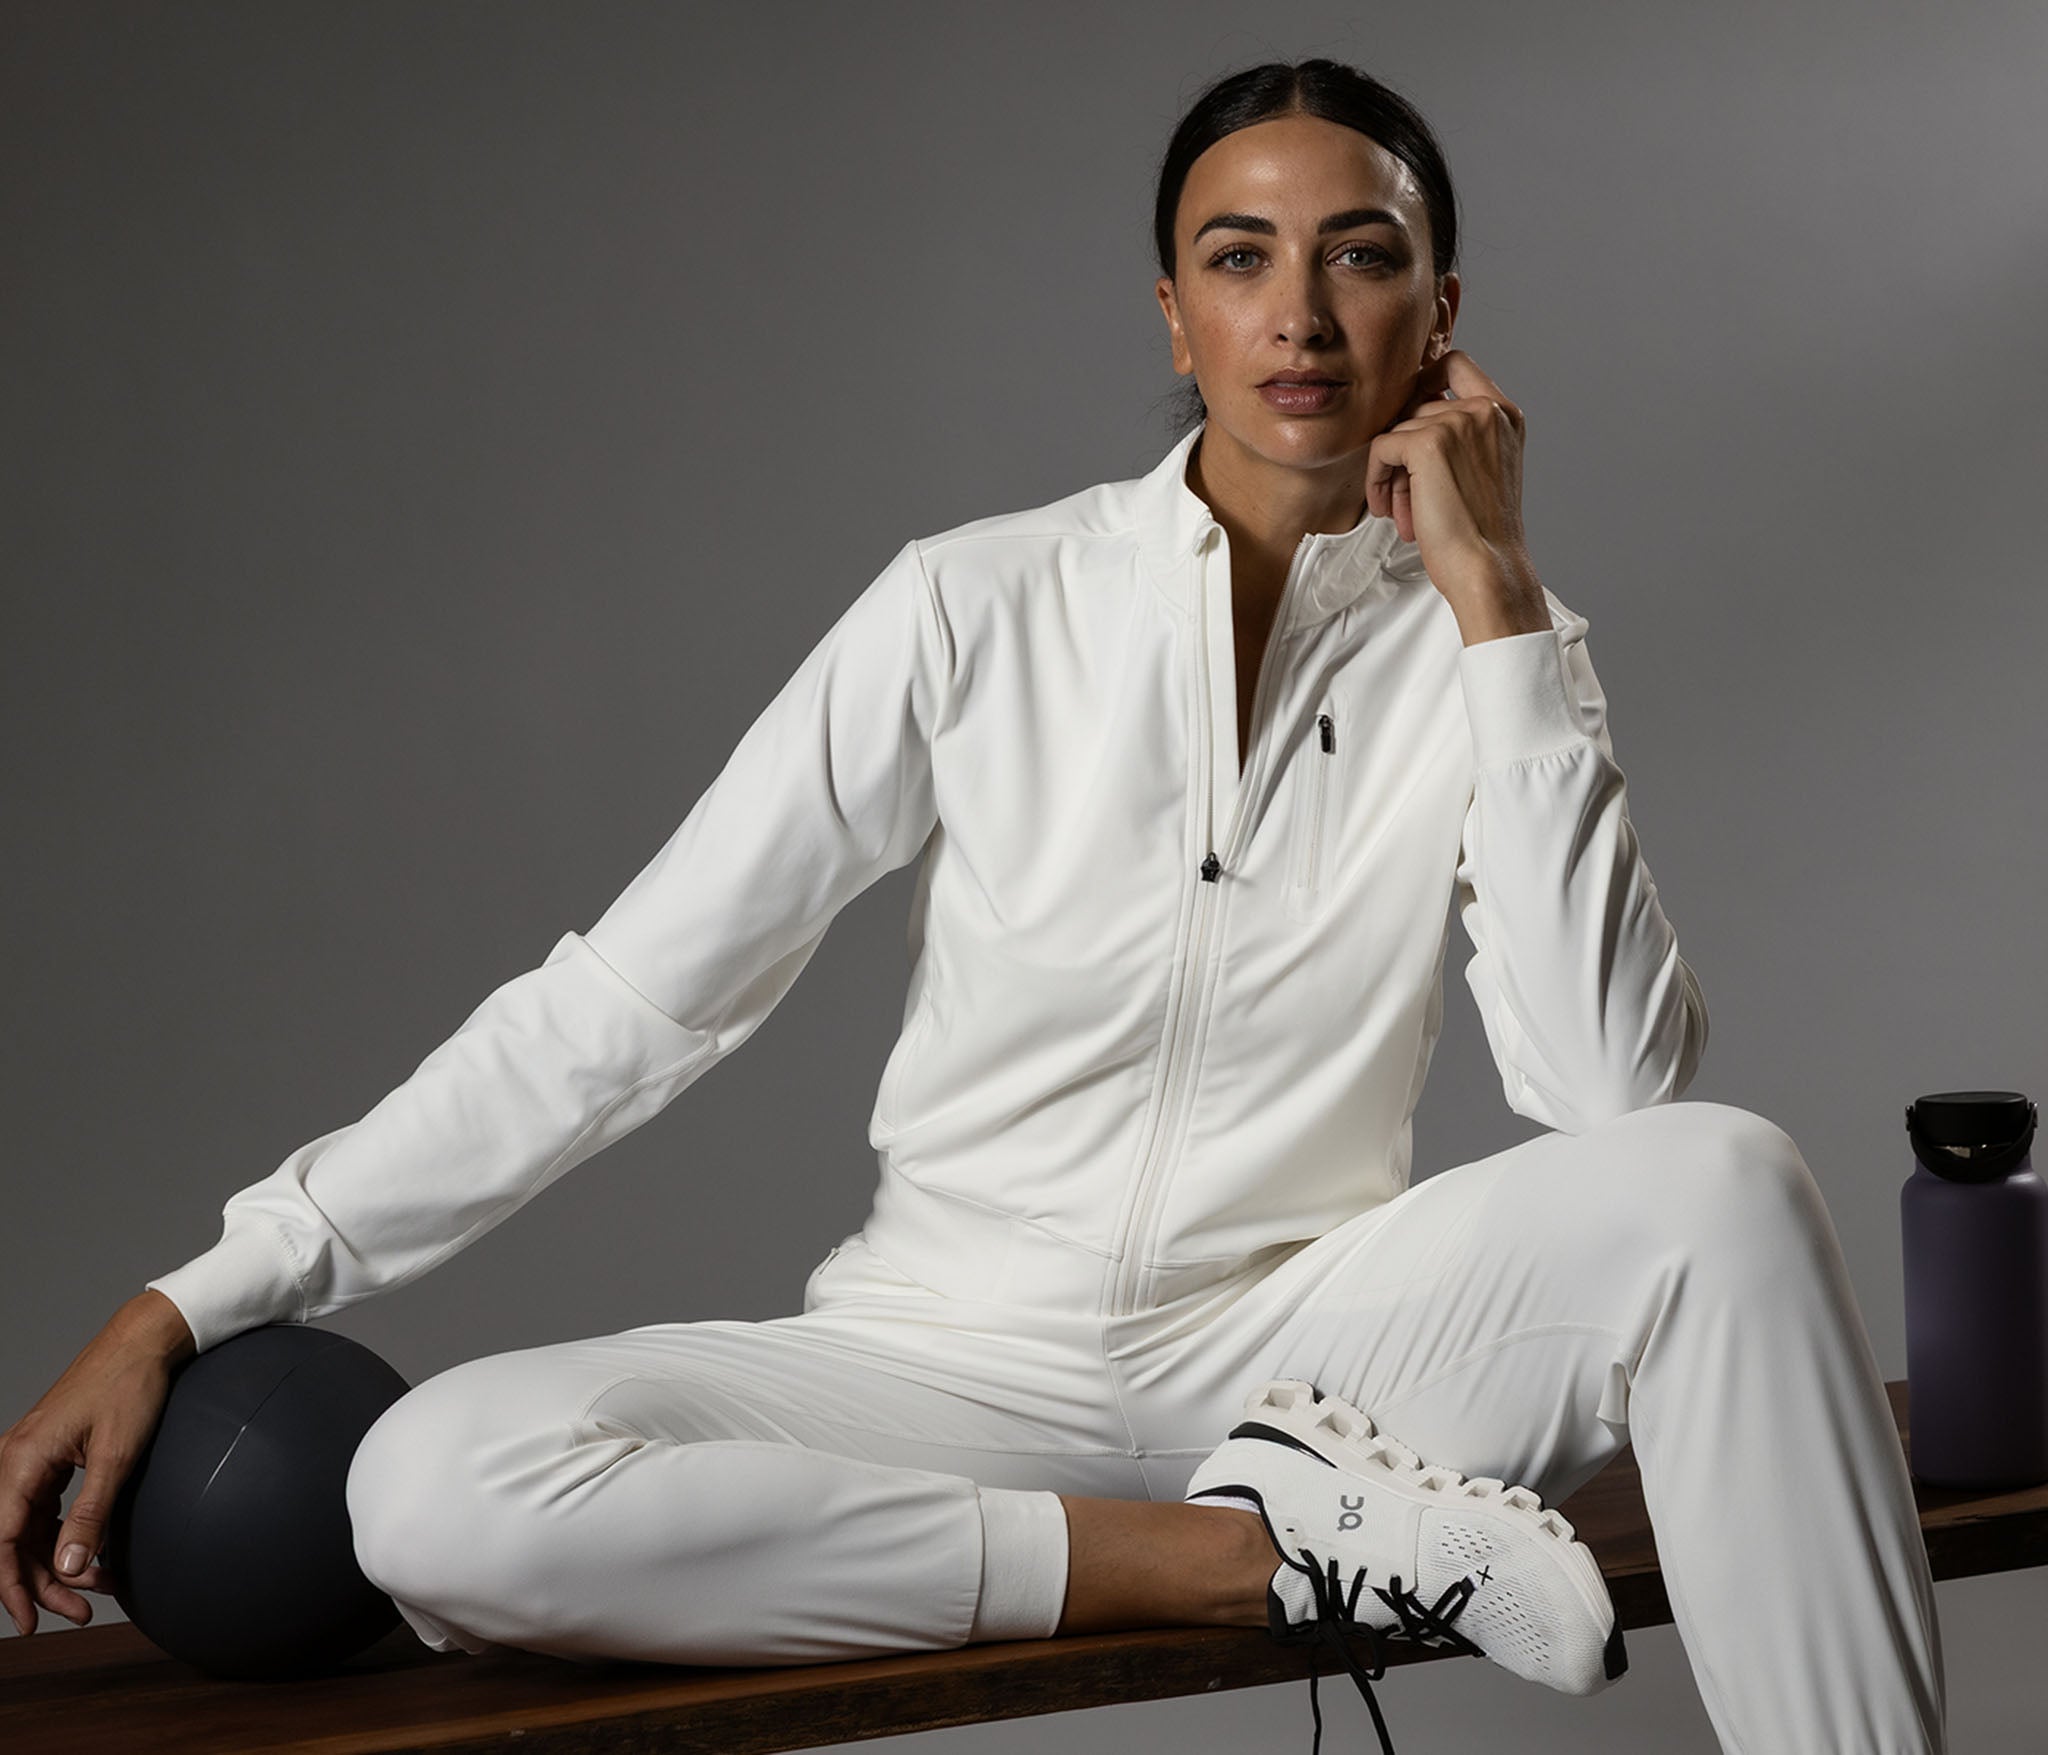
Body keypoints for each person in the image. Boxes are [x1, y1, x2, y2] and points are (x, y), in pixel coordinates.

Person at [0, 56, 1946, 1755]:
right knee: (433, 1488)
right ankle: (1247, 1561)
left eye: (1358, 251)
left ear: (1441, 313)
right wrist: (207, 1286)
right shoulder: (972, 604)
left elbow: (1607, 1093)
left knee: (1721, 1175)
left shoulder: (1496, 646)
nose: (1301, 310)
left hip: (1314, 1360)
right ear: (1171, 316)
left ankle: (1324, 1519)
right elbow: (618, 1010)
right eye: (1238, 255)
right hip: (941, 1365)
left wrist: (1498, 604)